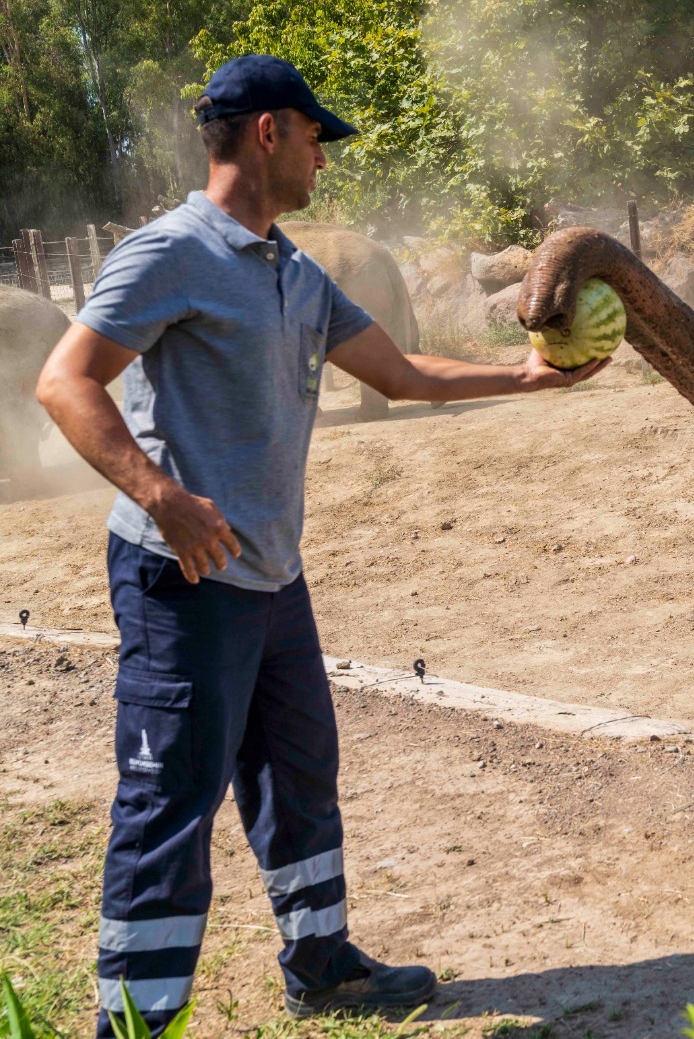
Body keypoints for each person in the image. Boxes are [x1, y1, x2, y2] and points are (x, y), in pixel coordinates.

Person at [34, 54, 605, 1037]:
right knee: (171, 804)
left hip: (269, 577)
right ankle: (133, 1021)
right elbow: (65, 380)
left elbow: (401, 372)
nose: (323, 159)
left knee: (299, 776)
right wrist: (160, 494)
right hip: (182, 577)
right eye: (314, 136)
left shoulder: (291, 269)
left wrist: (526, 378)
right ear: (267, 133)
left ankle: (324, 967)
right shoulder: (170, 252)